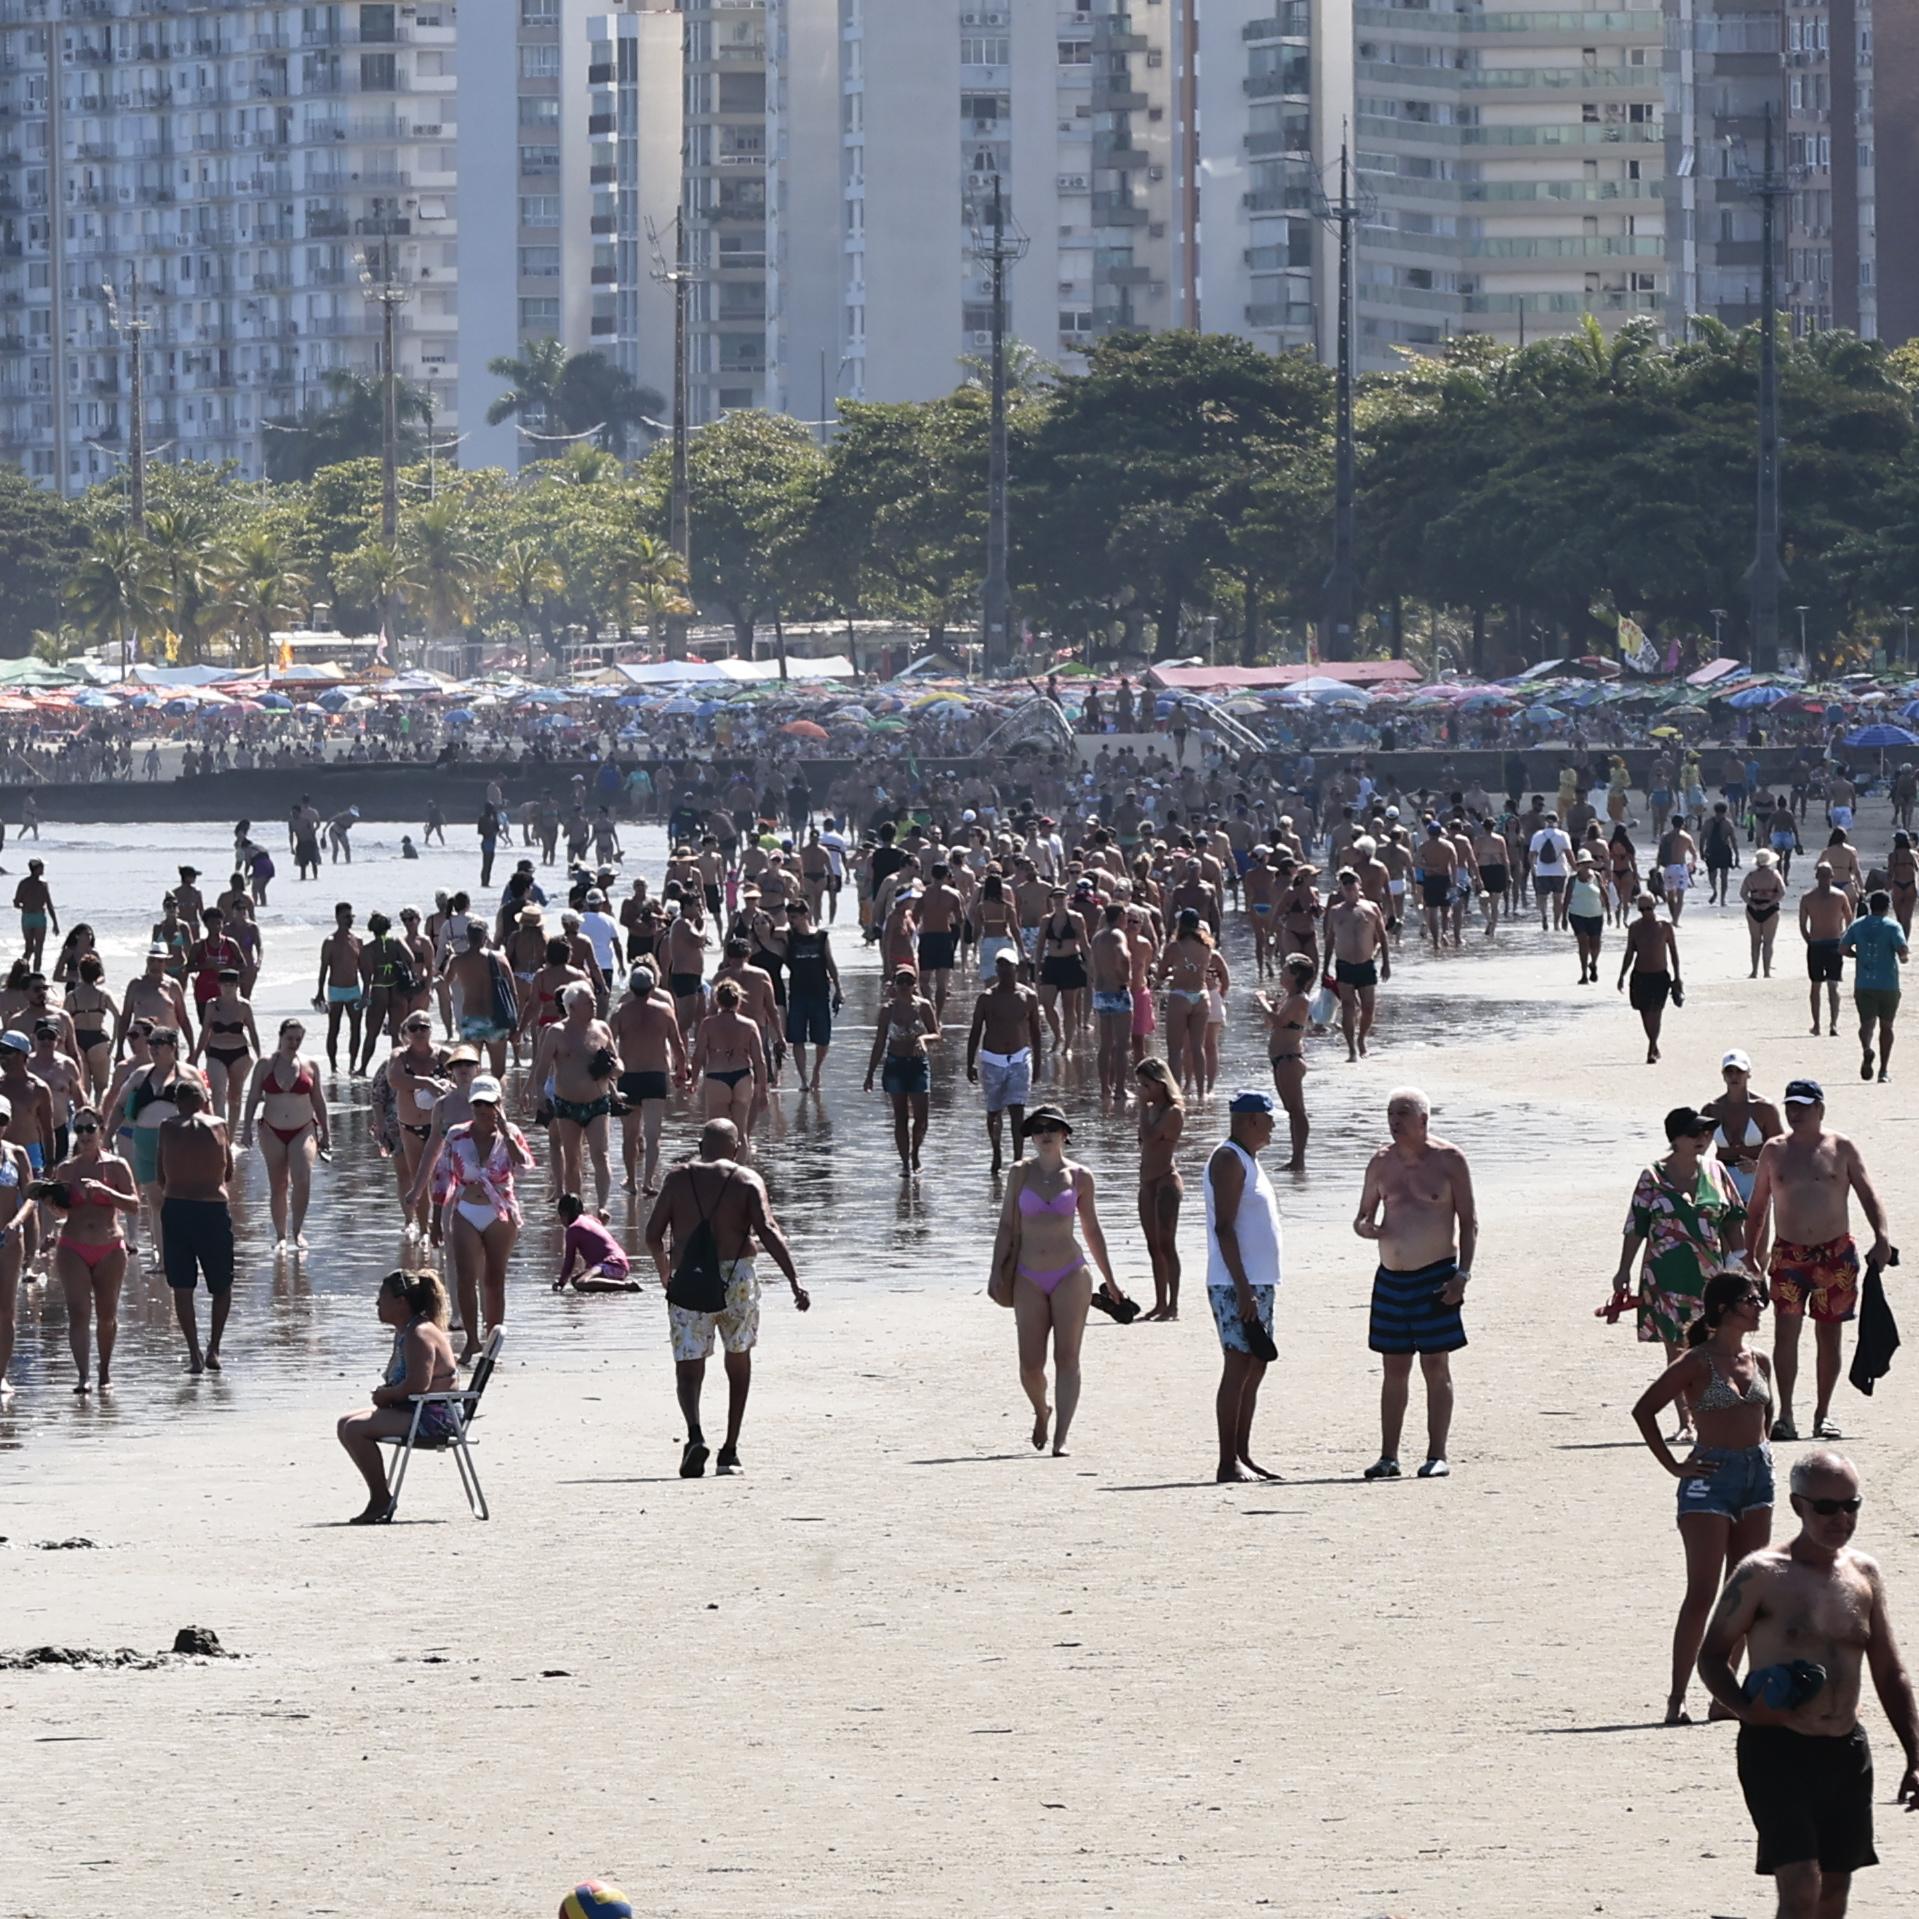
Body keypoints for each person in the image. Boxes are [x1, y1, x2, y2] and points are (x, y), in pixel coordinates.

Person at [1697, 1450, 1919, 1914]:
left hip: (1845, 1750)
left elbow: (1889, 1672)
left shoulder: (1865, 1574)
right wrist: (1746, 1709)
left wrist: (1915, 1754)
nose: (1841, 1518)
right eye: (1827, 1507)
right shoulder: (1760, 1574)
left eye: (1851, 1505)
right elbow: (1712, 1657)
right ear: (1798, 1506)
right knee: (1800, 1887)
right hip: (1776, 1749)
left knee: (1834, 1891)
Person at [1631, 1271, 1776, 1725]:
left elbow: (1766, 1416)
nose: (1759, 1307)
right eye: (1751, 1299)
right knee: (1703, 1591)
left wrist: (1762, 1452)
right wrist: (1675, 1466)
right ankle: (1677, 1698)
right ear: (1724, 1308)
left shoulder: (1760, 1360)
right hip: (1710, 1479)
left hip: (1757, 1477)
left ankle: (1724, 1697)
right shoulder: (1696, 1361)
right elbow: (1644, 1410)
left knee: (1746, 1593)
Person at [644, 1118, 808, 1478]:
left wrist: (664, 1274)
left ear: (700, 1146)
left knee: (689, 1365)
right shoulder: (747, 1180)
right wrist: (794, 1280)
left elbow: (652, 1235)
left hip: (689, 1280)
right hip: (738, 1280)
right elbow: (768, 1230)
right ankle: (730, 1452)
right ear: (737, 1149)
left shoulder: (677, 1179)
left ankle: (694, 1434)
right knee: (738, 1360)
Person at [1746, 1079, 1890, 1444]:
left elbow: (1867, 1193)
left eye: (1803, 1106)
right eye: (1790, 1106)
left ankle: (1823, 1413)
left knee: (1829, 1334)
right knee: (1786, 1332)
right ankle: (1785, 1415)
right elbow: (1758, 1206)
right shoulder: (1774, 1150)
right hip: (1789, 1254)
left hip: (1834, 1253)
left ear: (1820, 1109)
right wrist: (1750, 1255)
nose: (1795, 1113)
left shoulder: (1841, 1147)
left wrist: (1882, 1236)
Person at [987, 1105, 1126, 1459]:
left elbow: (1092, 1229)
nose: (1045, 1133)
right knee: (1030, 1365)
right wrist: (995, 1270)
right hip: (1027, 1276)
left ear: (1065, 1134)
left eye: (1052, 1127)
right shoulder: (1020, 1173)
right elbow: (1006, 1225)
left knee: (1068, 1357)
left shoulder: (1080, 1176)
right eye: (1038, 1128)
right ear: (1032, 1136)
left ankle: (1061, 1437)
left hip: (1070, 1274)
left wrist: (1110, 1280)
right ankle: (1041, 1410)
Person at [1352, 1087, 1477, 1481]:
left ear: (1423, 1119)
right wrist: (1365, 1227)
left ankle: (1437, 1454)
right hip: (1391, 1278)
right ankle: (1388, 1456)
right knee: (1394, 1367)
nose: (1395, 1121)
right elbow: (1362, 1216)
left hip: (1436, 1274)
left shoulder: (1450, 1160)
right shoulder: (1380, 1162)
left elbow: (1469, 1222)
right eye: (1390, 1114)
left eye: (1403, 1113)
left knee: (1435, 1364)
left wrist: (1462, 1276)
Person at [1611, 1105, 1748, 1443]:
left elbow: (1733, 1222)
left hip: (1711, 1278)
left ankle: (1715, 1415)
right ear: (1675, 1139)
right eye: (1694, 1133)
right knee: (1678, 1351)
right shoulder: (1652, 1177)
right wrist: (1623, 1270)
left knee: (1715, 1345)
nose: (1703, 1138)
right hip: (1665, 1278)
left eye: (1707, 1132)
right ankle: (1688, 1422)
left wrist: (1743, 1264)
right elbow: (1636, 1227)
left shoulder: (1717, 1171)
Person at [416, 1074, 534, 1364]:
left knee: (494, 1278)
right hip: (466, 1208)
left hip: (500, 1211)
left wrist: (507, 1135)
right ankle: (471, 1341)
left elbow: (525, 1167)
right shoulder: (457, 1134)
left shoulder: (510, 1133)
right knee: (466, 1277)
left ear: (499, 1105)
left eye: (489, 1104)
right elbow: (443, 1176)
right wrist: (435, 1219)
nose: (483, 1110)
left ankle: (492, 1341)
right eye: (478, 1104)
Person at [335, 1269, 462, 1525]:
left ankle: (380, 1498)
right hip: (419, 1408)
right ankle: (380, 1494)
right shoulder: (407, 1330)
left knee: (354, 1429)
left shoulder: (419, 1334)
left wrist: (388, 1395)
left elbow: (418, 1384)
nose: (377, 1304)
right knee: (344, 1423)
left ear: (401, 1301)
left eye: (382, 1298)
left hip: (434, 1416)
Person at [1204, 1091, 1283, 1484]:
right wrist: (1242, 1287)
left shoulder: (1249, 1159)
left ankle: (1243, 1455)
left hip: (1258, 1280)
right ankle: (1226, 1462)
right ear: (1251, 1119)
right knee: (1237, 1364)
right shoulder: (1228, 1159)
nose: (1273, 1125)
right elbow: (1224, 1227)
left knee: (1256, 1363)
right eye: (1269, 1119)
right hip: (1234, 1282)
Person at [45, 1104, 138, 1393]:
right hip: (72, 1246)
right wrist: (51, 1205)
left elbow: (134, 1205)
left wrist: (106, 1191)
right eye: (79, 1129)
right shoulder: (66, 1169)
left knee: (107, 1315)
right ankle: (82, 1376)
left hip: (109, 1247)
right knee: (78, 1312)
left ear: (101, 1130)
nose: (84, 1134)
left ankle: (104, 1371)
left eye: (89, 1128)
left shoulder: (116, 1166)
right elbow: (61, 1210)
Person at [155, 1074, 235, 1375]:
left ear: (177, 1102)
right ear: (202, 1100)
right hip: (212, 1208)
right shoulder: (219, 1125)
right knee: (222, 1284)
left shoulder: (167, 1127)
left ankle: (194, 1354)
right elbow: (228, 1173)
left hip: (177, 1207)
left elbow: (160, 1175)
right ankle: (214, 1348)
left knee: (182, 1285)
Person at [241, 1019, 330, 1252]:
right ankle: (281, 1235)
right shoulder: (265, 1064)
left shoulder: (310, 1065)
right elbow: (253, 1097)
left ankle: (297, 1231)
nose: (294, 1043)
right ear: (280, 1037)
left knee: (302, 1178)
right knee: (278, 1184)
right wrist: (246, 1128)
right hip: (272, 1130)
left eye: (298, 1039)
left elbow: (319, 1101)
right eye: (290, 1038)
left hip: (303, 1129)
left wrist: (326, 1133)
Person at [528, 982, 618, 1211]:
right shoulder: (556, 1032)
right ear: (572, 1007)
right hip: (567, 1105)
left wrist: (616, 1070)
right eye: (589, 1002)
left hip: (598, 1102)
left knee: (601, 1155)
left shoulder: (602, 1028)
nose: (594, 1004)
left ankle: (602, 1207)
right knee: (572, 1158)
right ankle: (576, 1209)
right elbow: (541, 1069)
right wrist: (540, 1095)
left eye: (594, 1000)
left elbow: (619, 1063)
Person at [612, 965, 689, 1194]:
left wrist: (607, 1077)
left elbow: (608, 1045)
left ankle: (631, 1180)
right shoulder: (665, 1011)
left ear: (631, 987)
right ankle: (648, 1181)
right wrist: (681, 1070)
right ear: (653, 986)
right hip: (655, 1076)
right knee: (653, 1135)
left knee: (630, 1135)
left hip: (628, 1076)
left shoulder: (620, 1011)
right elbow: (677, 1044)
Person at [965, 950, 1043, 1175]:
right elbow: (975, 1031)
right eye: (1000, 966)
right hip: (992, 1060)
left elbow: (1036, 1032)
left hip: (1019, 1059)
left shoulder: (1028, 997)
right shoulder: (986, 998)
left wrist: (1038, 1063)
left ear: (1016, 968)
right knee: (994, 1112)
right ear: (996, 969)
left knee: (1017, 1110)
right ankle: (996, 1152)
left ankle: (1018, 1160)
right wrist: (969, 1062)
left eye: (1008, 966)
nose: (1004, 970)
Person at [866, 966, 941, 1175]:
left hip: (918, 1065)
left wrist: (923, 1039)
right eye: (901, 981)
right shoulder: (887, 1010)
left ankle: (915, 1153)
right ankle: (905, 1163)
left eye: (909, 981)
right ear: (894, 984)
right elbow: (879, 1042)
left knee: (922, 1117)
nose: (905, 985)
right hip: (895, 1064)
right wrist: (870, 1074)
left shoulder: (924, 1006)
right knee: (900, 1116)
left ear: (915, 984)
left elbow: (937, 1034)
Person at [1135, 1057, 1184, 1323]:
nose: (1142, 1090)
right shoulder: (1151, 1110)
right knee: (1153, 1244)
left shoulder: (1173, 1112)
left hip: (1165, 1180)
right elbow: (1142, 1141)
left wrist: (1142, 1109)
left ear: (1160, 1083)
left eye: (1146, 1085)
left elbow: (1151, 1137)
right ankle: (1159, 1302)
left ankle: (1173, 1304)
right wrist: (1144, 1109)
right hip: (1147, 1182)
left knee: (1167, 1243)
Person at [1323, 867, 1389, 1063]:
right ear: (1341, 888)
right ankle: (1351, 1049)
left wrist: (1386, 963)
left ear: (1359, 885)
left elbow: (1382, 937)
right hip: (1344, 964)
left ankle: (1361, 1040)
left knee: (1368, 1007)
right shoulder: (1335, 911)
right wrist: (1325, 968)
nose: (1349, 887)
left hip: (1366, 964)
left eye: (1352, 883)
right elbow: (1329, 940)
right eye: (1345, 884)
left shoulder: (1371, 908)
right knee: (1348, 1006)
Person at [1840, 887, 1906, 1084]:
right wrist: (1903, 957)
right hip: (1888, 984)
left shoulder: (1858, 925)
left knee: (1866, 1024)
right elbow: (1902, 949)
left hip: (1864, 983)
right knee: (1887, 1027)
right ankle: (1883, 1071)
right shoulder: (1893, 926)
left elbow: (1842, 948)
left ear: (1870, 906)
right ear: (1887, 907)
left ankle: (1867, 1049)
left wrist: (1856, 955)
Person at [1704, 1050, 1784, 1210]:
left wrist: (1759, 1166)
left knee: (1757, 1224)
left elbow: (1781, 1148)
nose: (1734, 1076)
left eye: (1739, 1071)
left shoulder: (1764, 1108)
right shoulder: (1711, 1110)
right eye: (1729, 1071)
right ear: (1723, 1075)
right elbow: (1696, 1148)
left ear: (1749, 1074)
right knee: (1726, 1225)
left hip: (1755, 1177)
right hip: (1724, 1177)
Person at [1618, 891, 1682, 1065]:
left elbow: (1673, 952)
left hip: (1660, 976)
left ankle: (1651, 1047)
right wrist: (1622, 975)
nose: (1645, 912)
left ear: (1654, 906)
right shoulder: (1635, 927)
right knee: (1645, 1013)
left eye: (1648, 908)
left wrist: (1677, 977)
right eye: (1642, 909)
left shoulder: (1664, 926)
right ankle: (1654, 1044)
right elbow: (1629, 953)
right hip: (1640, 975)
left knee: (1656, 1012)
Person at [1799, 863, 1852, 1040]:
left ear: (1832, 876)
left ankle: (1832, 1024)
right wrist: (1809, 940)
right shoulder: (1808, 897)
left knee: (1831, 985)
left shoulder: (1839, 896)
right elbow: (1802, 924)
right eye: (1822, 875)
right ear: (1817, 877)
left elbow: (1849, 920)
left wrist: (1843, 937)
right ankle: (1818, 1024)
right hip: (1819, 944)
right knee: (1818, 985)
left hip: (1831, 944)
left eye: (1827, 875)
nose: (1824, 879)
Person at [552, 1193, 640, 1293]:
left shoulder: (573, 1229)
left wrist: (561, 1283)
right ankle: (613, 1284)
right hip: (620, 1264)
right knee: (575, 1280)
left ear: (564, 1215)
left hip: (611, 1264)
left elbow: (569, 1261)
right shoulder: (590, 1219)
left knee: (581, 1283)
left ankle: (627, 1286)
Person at [1742, 847, 1787, 979]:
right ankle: (1767, 972)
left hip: (1753, 909)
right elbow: (1782, 892)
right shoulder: (1774, 875)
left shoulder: (1751, 876)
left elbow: (1743, 893)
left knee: (1755, 942)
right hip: (1770, 909)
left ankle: (1754, 971)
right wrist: (1769, 903)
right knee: (1768, 942)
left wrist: (1753, 904)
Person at [1567, 851, 1607, 985]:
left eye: (1588, 863)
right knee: (1583, 942)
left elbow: (1604, 893)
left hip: (1596, 915)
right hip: (1577, 915)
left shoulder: (1596, 876)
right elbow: (1566, 898)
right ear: (1578, 865)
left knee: (1595, 945)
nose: (1586, 866)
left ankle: (1593, 964)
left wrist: (1609, 912)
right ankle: (1584, 974)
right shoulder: (1573, 880)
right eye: (1583, 863)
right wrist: (1563, 917)